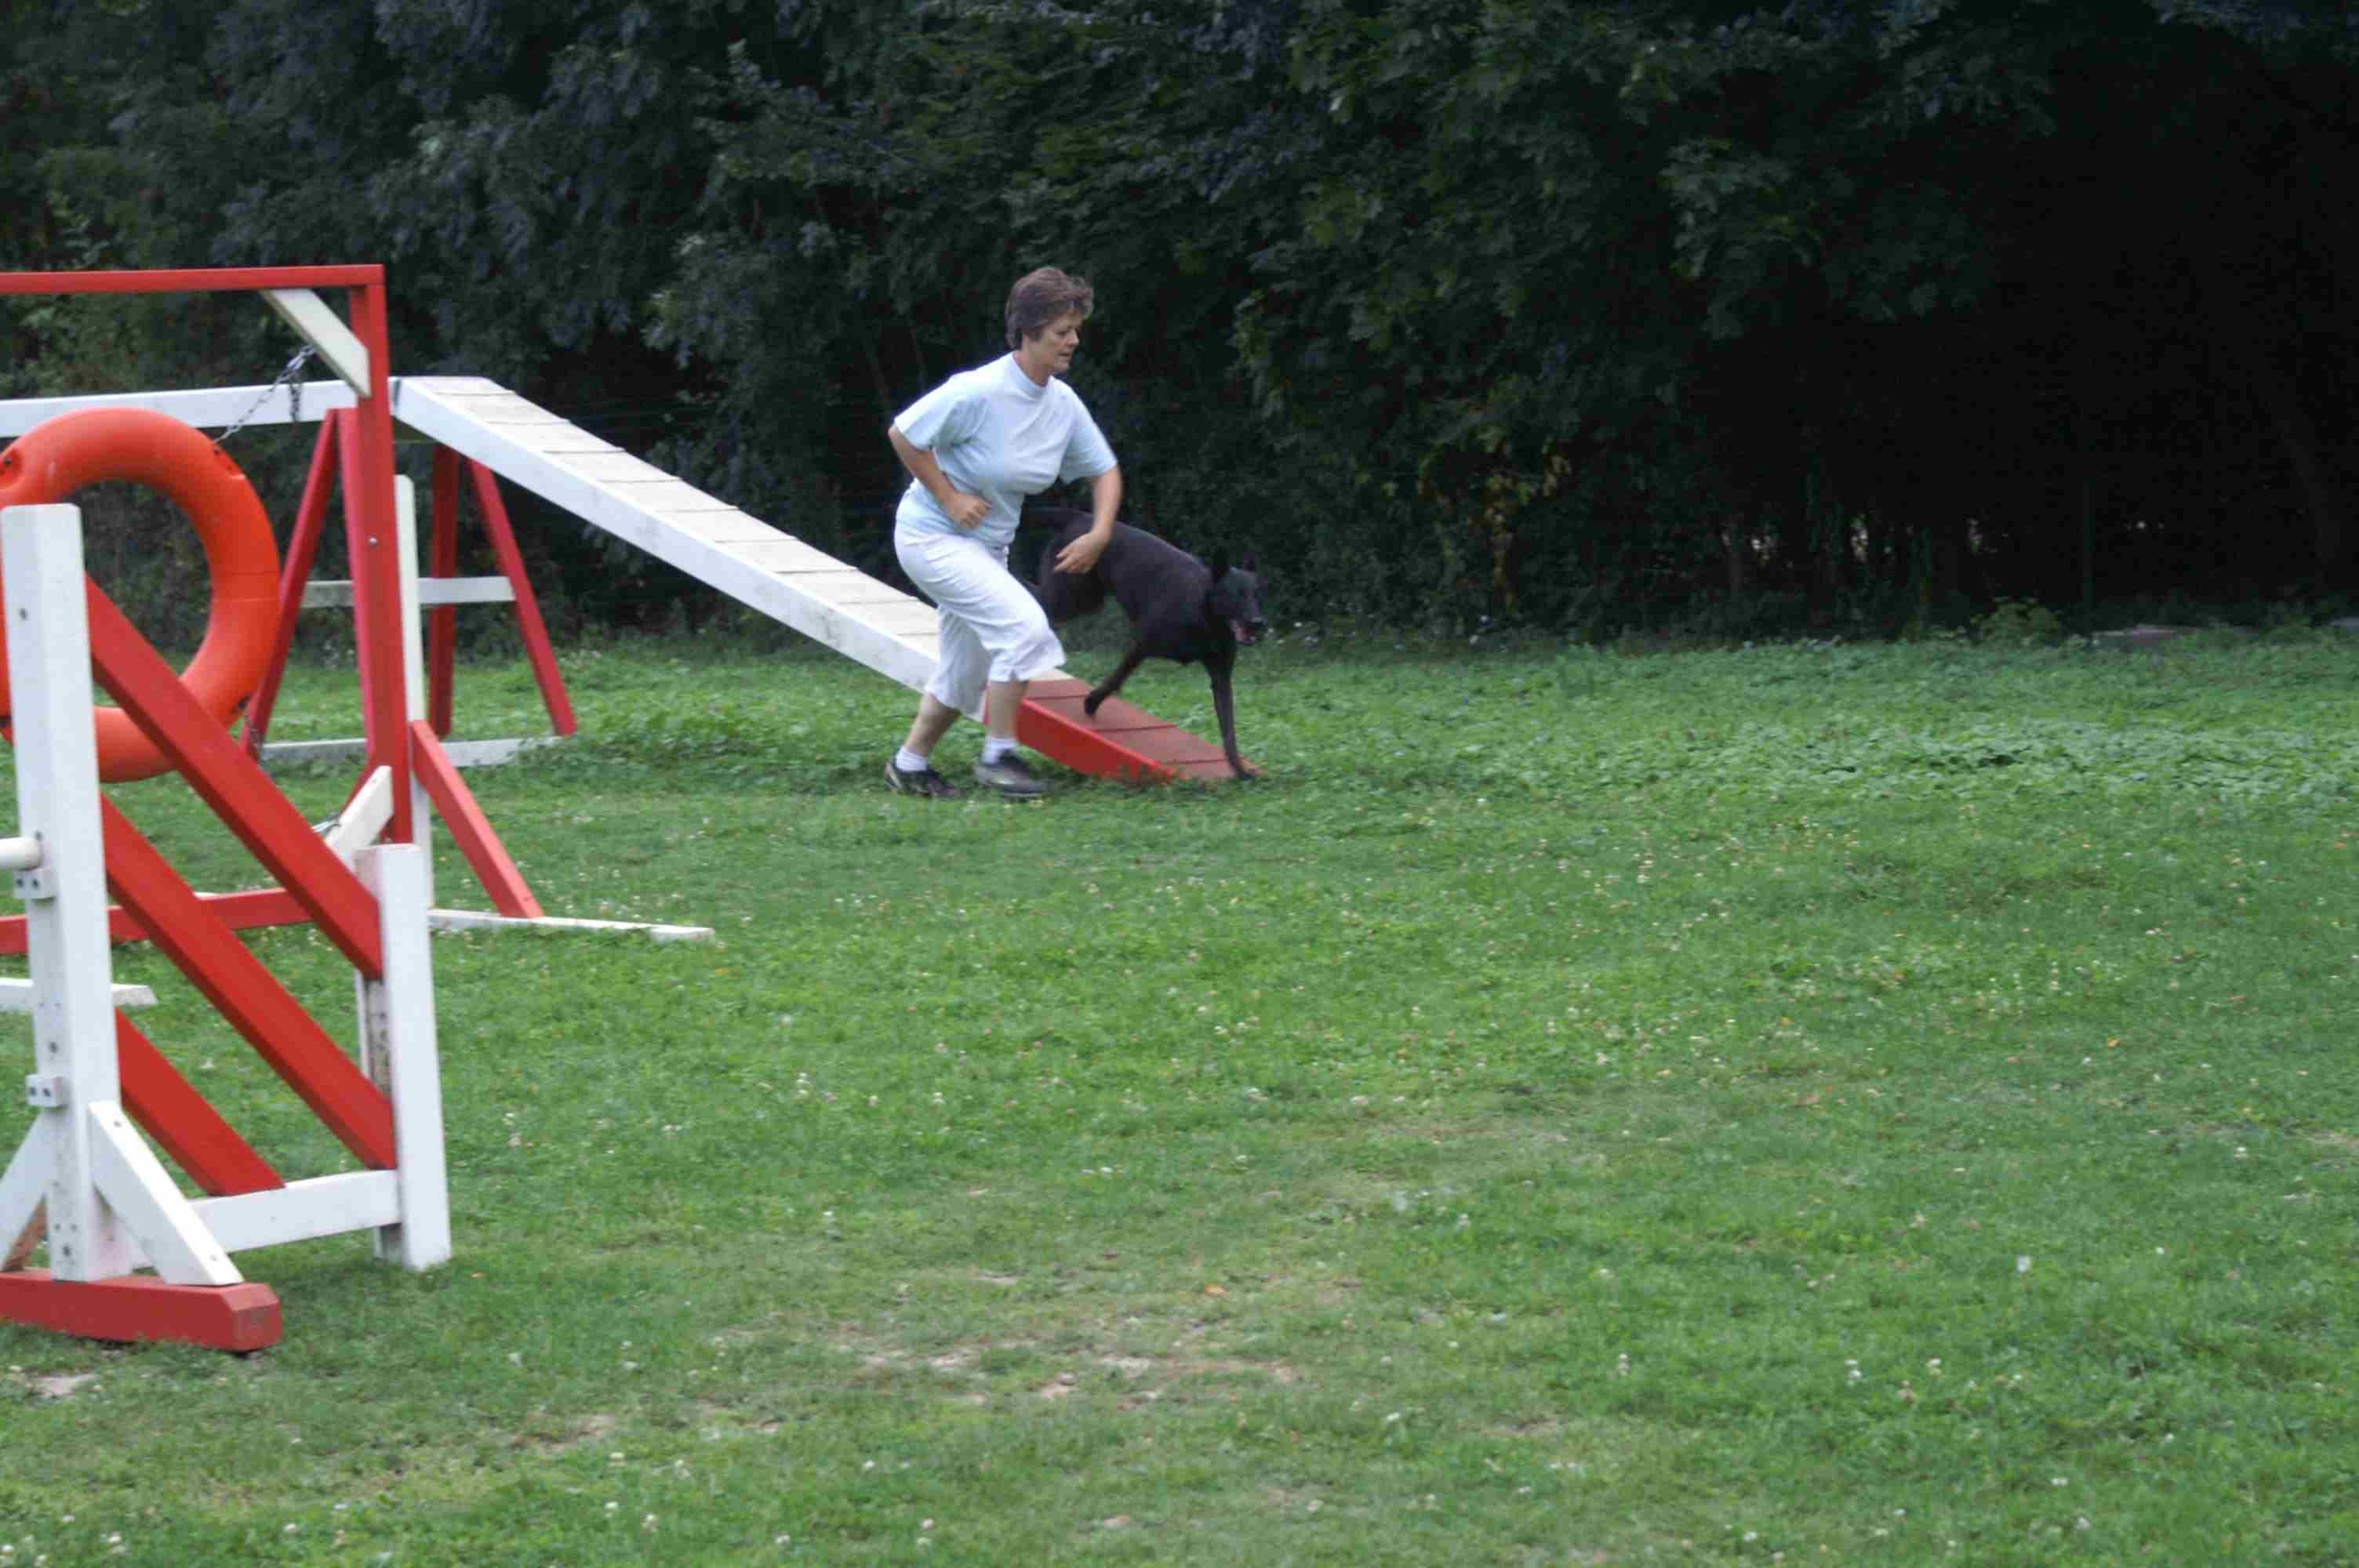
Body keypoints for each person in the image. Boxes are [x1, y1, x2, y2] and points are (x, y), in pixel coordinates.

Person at [882, 267, 1122, 799]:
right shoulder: (978, 391)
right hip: (931, 538)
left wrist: (1101, 533)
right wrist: (950, 497)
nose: (1074, 341)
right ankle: (999, 756)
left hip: (988, 548)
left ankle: (909, 764)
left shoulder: (1062, 404)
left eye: (1076, 330)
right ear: (1029, 331)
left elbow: (1103, 468)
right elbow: (904, 433)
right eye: (1062, 331)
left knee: (965, 672)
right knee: (1024, 629)